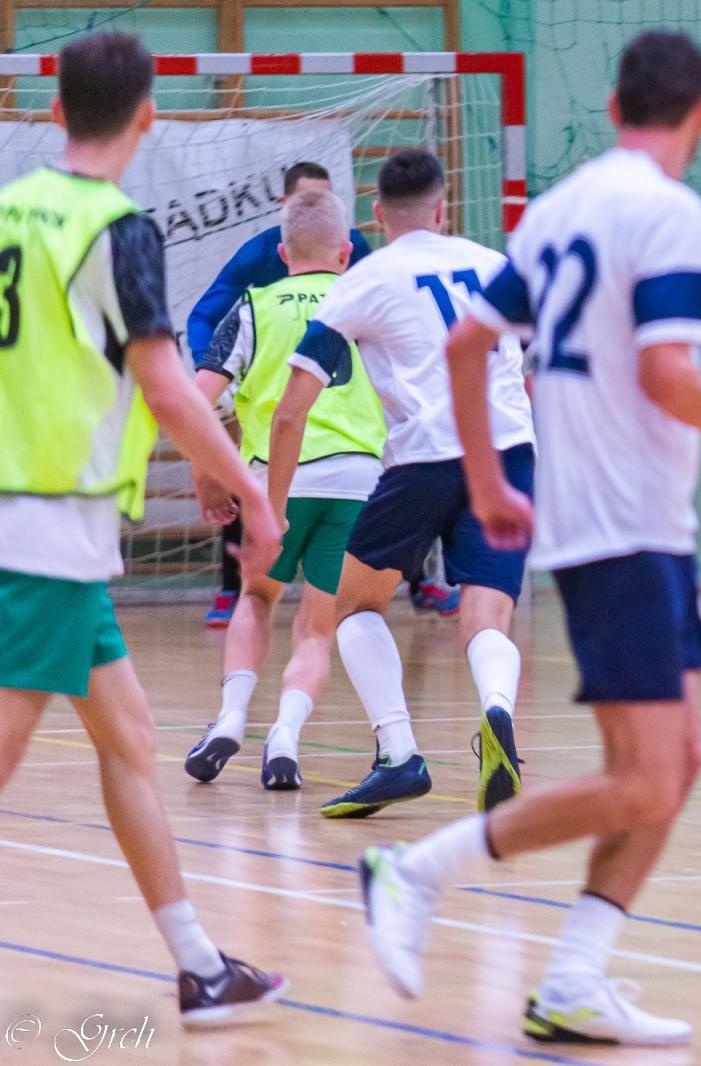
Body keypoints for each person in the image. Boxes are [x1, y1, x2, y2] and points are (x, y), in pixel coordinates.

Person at [356, 30, 701, 1046]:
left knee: (679, 759)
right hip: (624, 529)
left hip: (631, 527)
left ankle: (571, 977)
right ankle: (414, 871)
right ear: (699, 116)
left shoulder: (556, 209)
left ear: (613, 109)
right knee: (646, 777)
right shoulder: (667, 211)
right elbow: (665, 373)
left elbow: (471, 343)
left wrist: (486, 480)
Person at [0, 30, 286, 1024]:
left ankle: (199, 965)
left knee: (129, 736)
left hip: (47, 525)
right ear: (150, 112)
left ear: (56, 107)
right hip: (40, 522)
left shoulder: (9, 213)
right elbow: (165, 384)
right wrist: (247, 490)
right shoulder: (113, 225)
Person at [272, 149, 532, 819]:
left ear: (376, 215)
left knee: (351, 605)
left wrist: (269, 509)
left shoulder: (362, 279)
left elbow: (293, 406)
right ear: (444, 209)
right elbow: (534, 369)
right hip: (507, 451)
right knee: (487, 611)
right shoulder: (495, 265)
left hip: (425, 456)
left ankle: (398, 754)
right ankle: (497, 712)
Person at [182, 189, 386, 791]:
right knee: (318, 626)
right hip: (357, 480)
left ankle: (231, 718)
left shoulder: (255, 304)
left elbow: (198, 401)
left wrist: (207, 477)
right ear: (346, 252)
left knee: (257, 600)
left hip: (280, 478)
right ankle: (287, 737)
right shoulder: (368, 306)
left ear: (280, 252)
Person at [188, 161, 375, 628]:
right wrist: (214, 369)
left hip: (315, 424)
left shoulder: (360, 258)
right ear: (284, 208)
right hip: (283, 402)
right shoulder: (257, 258)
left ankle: (422, 577)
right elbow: (204, 316)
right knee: (233, 455)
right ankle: (231, 583)